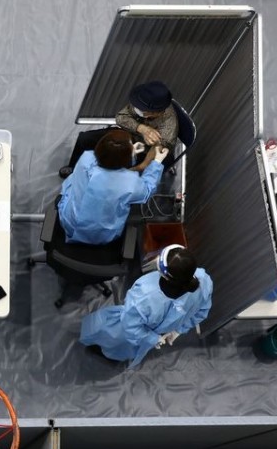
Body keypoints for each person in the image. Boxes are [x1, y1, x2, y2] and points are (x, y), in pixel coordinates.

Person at [79, 245, 213, 367]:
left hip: (126, 335)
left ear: (165, 275)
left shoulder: (144, 294)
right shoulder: (204, 280)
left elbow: (129, 325)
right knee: (128, 350)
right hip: (151, 336)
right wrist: (177, 330)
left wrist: (152, 338)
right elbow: (202, 311)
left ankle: (103, 352)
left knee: (107, 339)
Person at [58, 129, 167, 245]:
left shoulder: (86, 159)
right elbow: (148, 189)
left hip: (68, 222)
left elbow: (107, 162)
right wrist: (156, 162)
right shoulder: (129, 183)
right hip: (102, 236)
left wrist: (129, 153)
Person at [116, 80, 178, 149]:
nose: (136, 109)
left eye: (142, 109)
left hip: (149, 151)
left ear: (156, 113)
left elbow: (159, 150)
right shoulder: (143, 101)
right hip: (131, 139)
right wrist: (142, 128)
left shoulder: (168, 123)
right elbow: (120, 118)